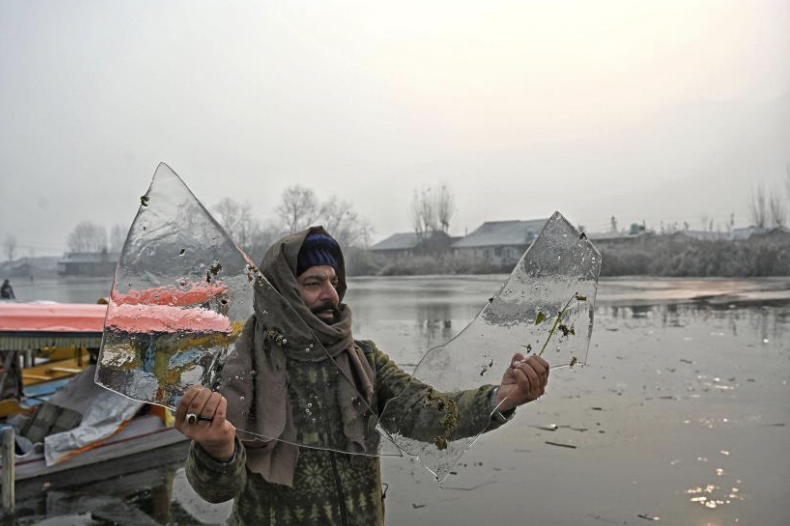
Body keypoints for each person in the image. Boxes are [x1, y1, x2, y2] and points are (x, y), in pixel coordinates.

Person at [175, 227, 550, 526]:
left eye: (333, 281)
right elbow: (216, 490)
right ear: (281, 291)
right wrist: (218, 450)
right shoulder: (239, 369)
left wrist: (499, 398)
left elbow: (426, 412)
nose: (331, 295)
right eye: (312, 283)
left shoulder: (364, 359)